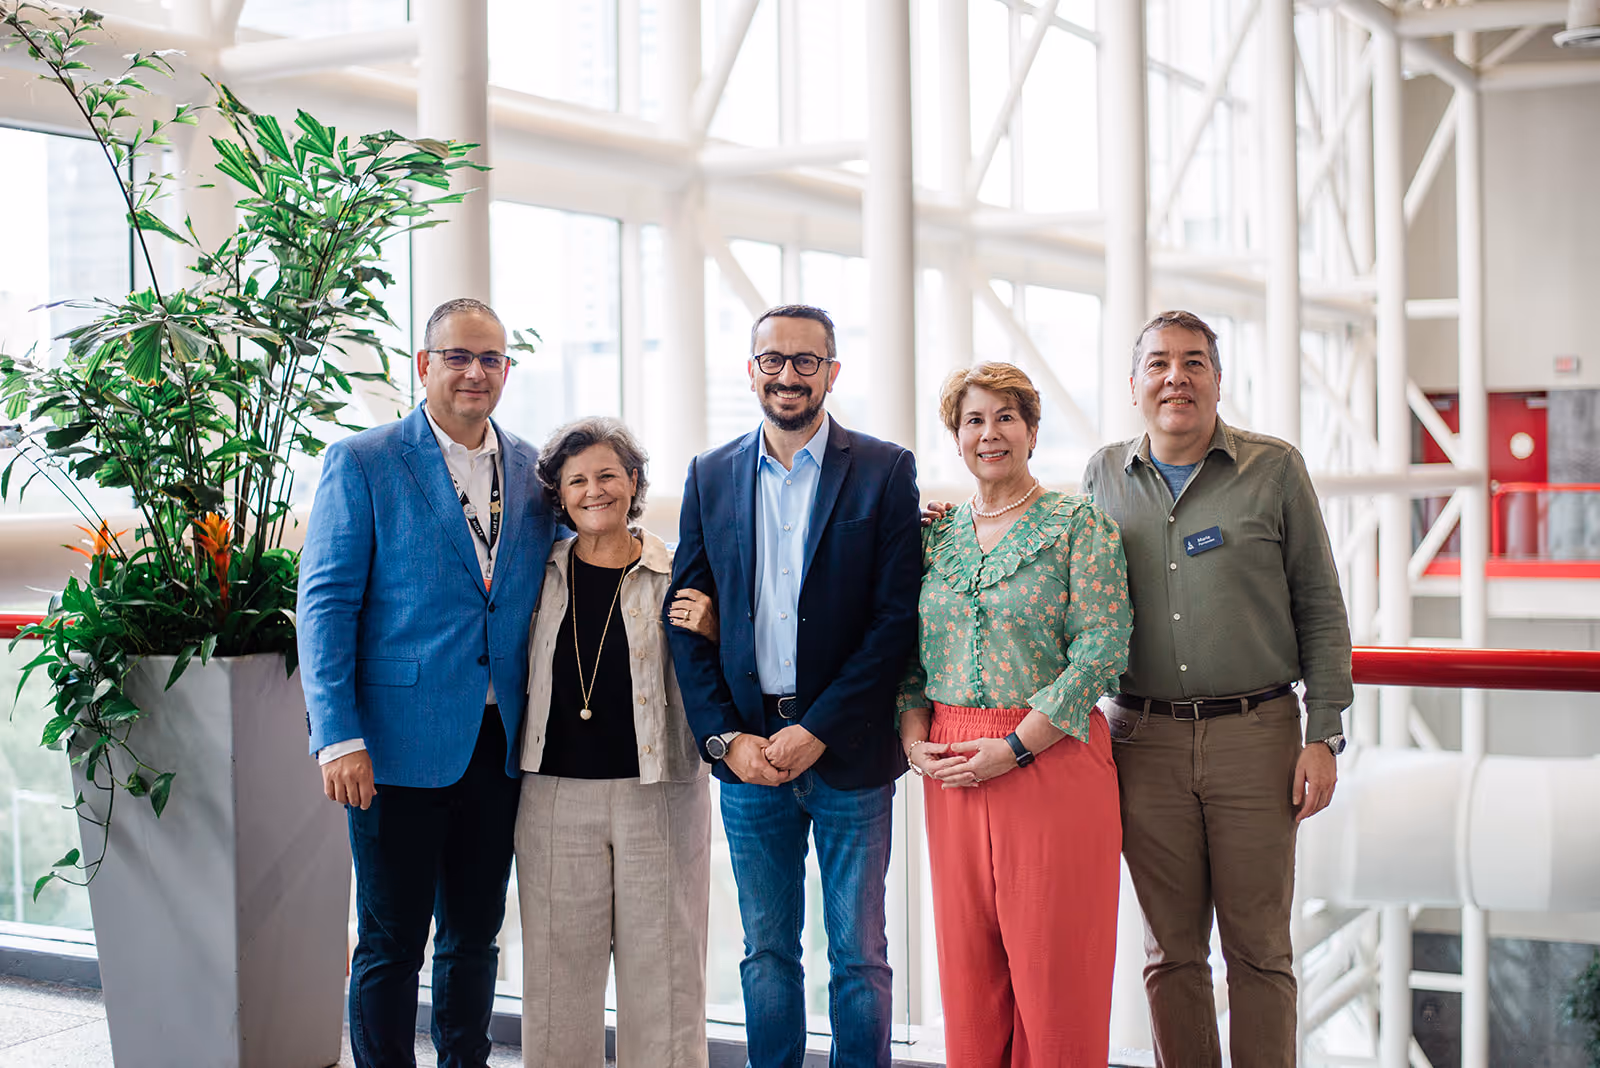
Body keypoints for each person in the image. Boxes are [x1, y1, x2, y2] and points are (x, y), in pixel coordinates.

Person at [1081, 310, 1352, 1068]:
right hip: (1142, 739)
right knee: (1169, 952)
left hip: (1257, 738)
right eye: (1160, 363)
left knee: (1260, 950)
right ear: (1133, 384)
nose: (1177, 377)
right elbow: (1067, 592)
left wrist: (1322, 735)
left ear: (1218, 380)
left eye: (1194, 362)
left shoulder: (1275, 469)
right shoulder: (1102, 475)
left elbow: (1322, 609)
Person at [298, 298, 556, 1068]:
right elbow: (325, 604)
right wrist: (336, 736)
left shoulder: (534, 472)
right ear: (425, 365)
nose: (475, 373)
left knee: (474, 937)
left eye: (491, 360)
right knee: (390, 940)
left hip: (501, 741)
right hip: (391, 744)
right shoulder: (365, 460)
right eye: (459, 357)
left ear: (506, 372)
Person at [664, 303, 922, 1068]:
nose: (787, 374)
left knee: (859, 955)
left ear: (832, 373)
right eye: (772, 359)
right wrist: (726, 741)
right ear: (750, 370)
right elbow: (686, 618)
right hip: (749, 757)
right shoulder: (709, 475)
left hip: (848, 754)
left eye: (805, 361)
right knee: (767, 952)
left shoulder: (884, 469)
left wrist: (819, 730)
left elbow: (892, 623)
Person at [898, 362, 1132, 1066]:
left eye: (1005, 417)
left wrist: (1017, 747)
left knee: (1053, 974)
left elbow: (1102, 646)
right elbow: (905, 653)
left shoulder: (1076, 525)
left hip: (1049, 754)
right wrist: (915, 742)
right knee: (970, 973)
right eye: (973, 419)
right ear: (956, 437)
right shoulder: (933, 539)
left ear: (1031, 430)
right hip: (949, 762)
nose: (989, 433)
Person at [514, 416, 713, 1067]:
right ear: (559, 495)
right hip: (552, 796)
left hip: (657, 795)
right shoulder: (534, 574)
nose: (593, 490)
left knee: (667, 977)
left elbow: (731, 664)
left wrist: (714, 629)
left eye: (607, 475)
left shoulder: (679, 567)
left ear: (633, 482)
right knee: (555, 980)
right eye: (577, 480)